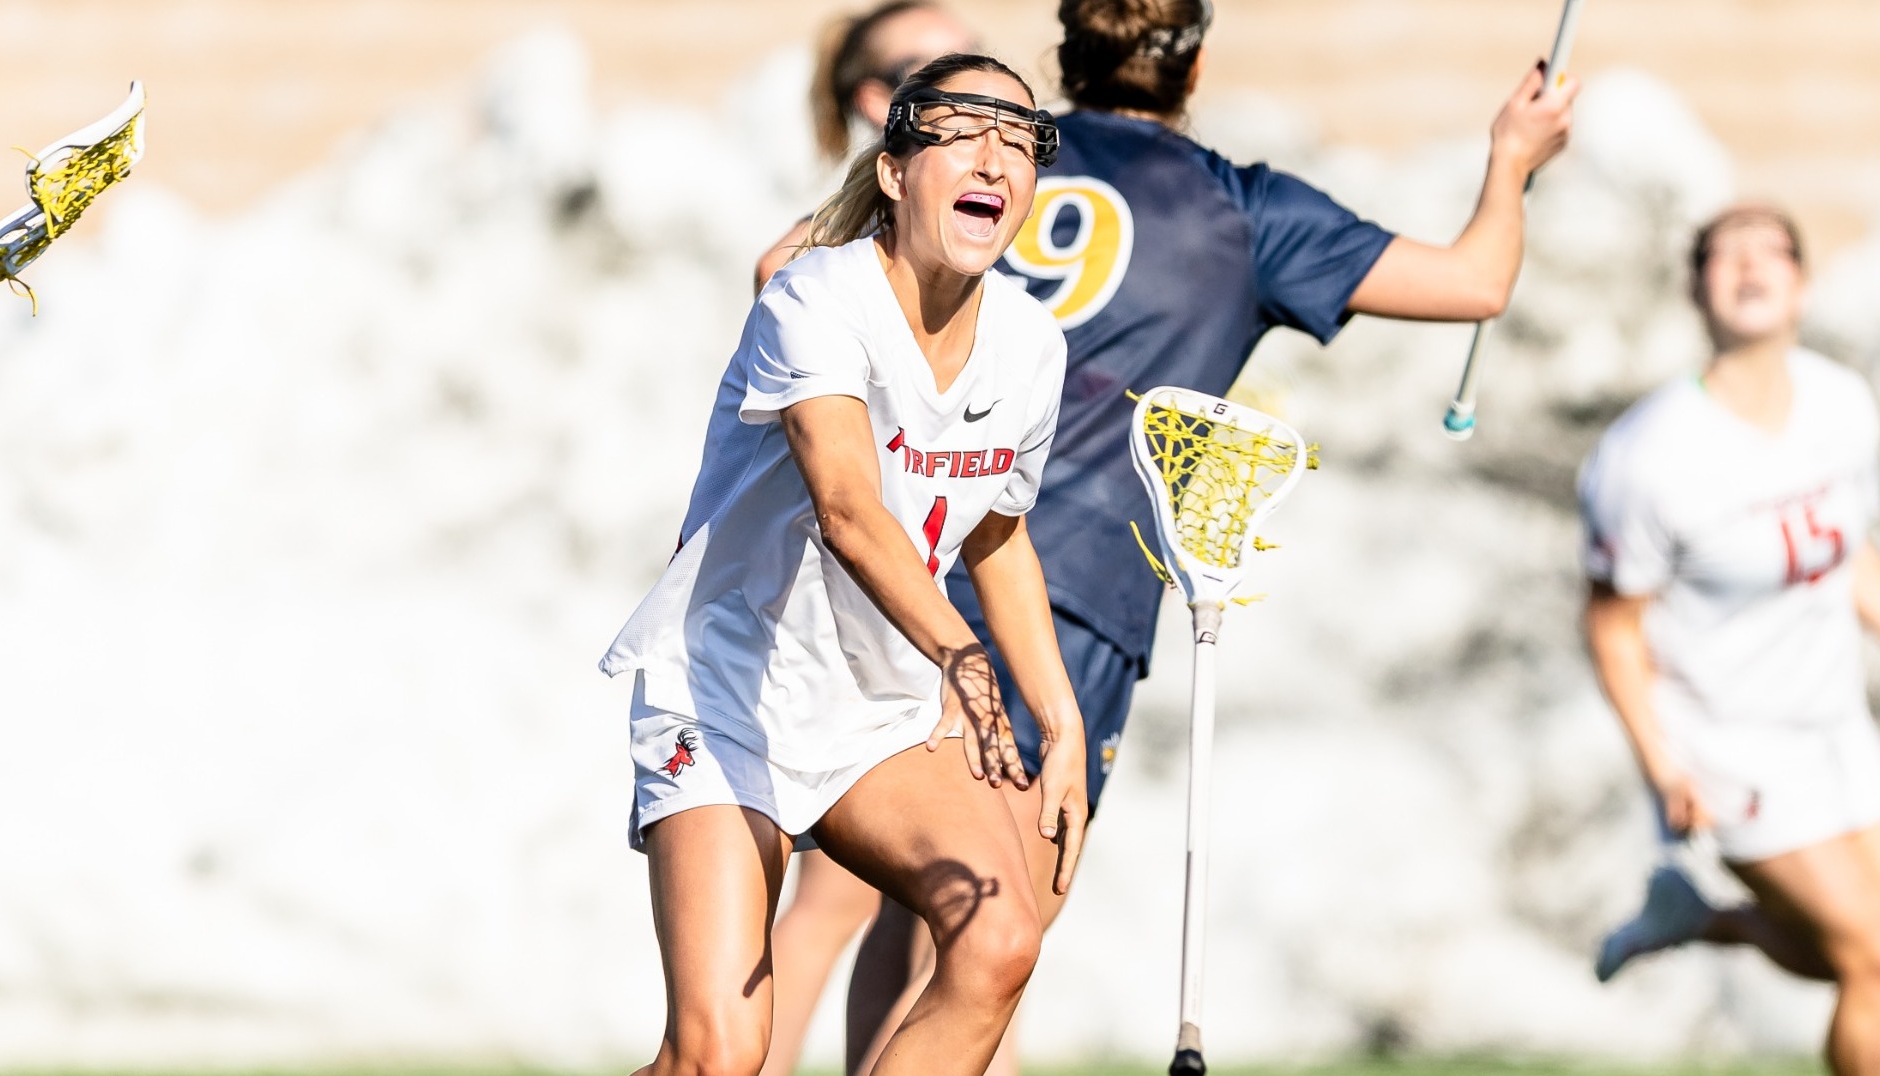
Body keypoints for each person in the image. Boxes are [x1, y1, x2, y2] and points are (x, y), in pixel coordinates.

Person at [842, 0, 1579, 1069]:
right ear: (1190, 69)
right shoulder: (1237, 211)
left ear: (1066, 51)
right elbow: (1475, 280)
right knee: (993, 938)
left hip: (900, 547)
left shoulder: (988, 154)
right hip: (1066, 586)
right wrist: (1512, 158)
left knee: (900, 911)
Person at [600, 53, 1090, 1076]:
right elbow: (848, 507)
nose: (992, 154)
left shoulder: (1030, 347)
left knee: (1001, 941)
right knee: (718, 1055)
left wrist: (1061, 716)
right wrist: (962, 655)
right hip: (728, 689)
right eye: (960, 129)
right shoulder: (815, 298)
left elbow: (997, 532)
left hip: (874, 708)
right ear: (894, 171)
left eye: (1018, 139)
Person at [1580, 203, 1880, 1076]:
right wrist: (1662, 766)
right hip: (1726, 745)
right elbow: (1611, 626)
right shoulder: (1646, 453)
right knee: (1870, 956)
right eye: (1725, 257)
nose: (1749, 269)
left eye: (1771, 253)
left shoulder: (1841, 401)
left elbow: (1854, 559)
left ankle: (1698, 918)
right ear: (1695, 290)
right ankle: (1700, 909)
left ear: (1801, 283)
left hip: (1832, 725)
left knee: (1841, 950)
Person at [748, 8, 980, 1076]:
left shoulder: (952, 253)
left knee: (962, 915)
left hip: (923, 595)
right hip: (856, 614)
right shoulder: (814, 264)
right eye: (920, 77)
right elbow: (841, 482)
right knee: (841, 905)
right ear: (871, 107)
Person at [755, 2, 976, 293]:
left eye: (973, 59)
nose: (970, 82)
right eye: (935, 70)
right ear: (877, 102)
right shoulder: (806, 261)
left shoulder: (1033, 175)